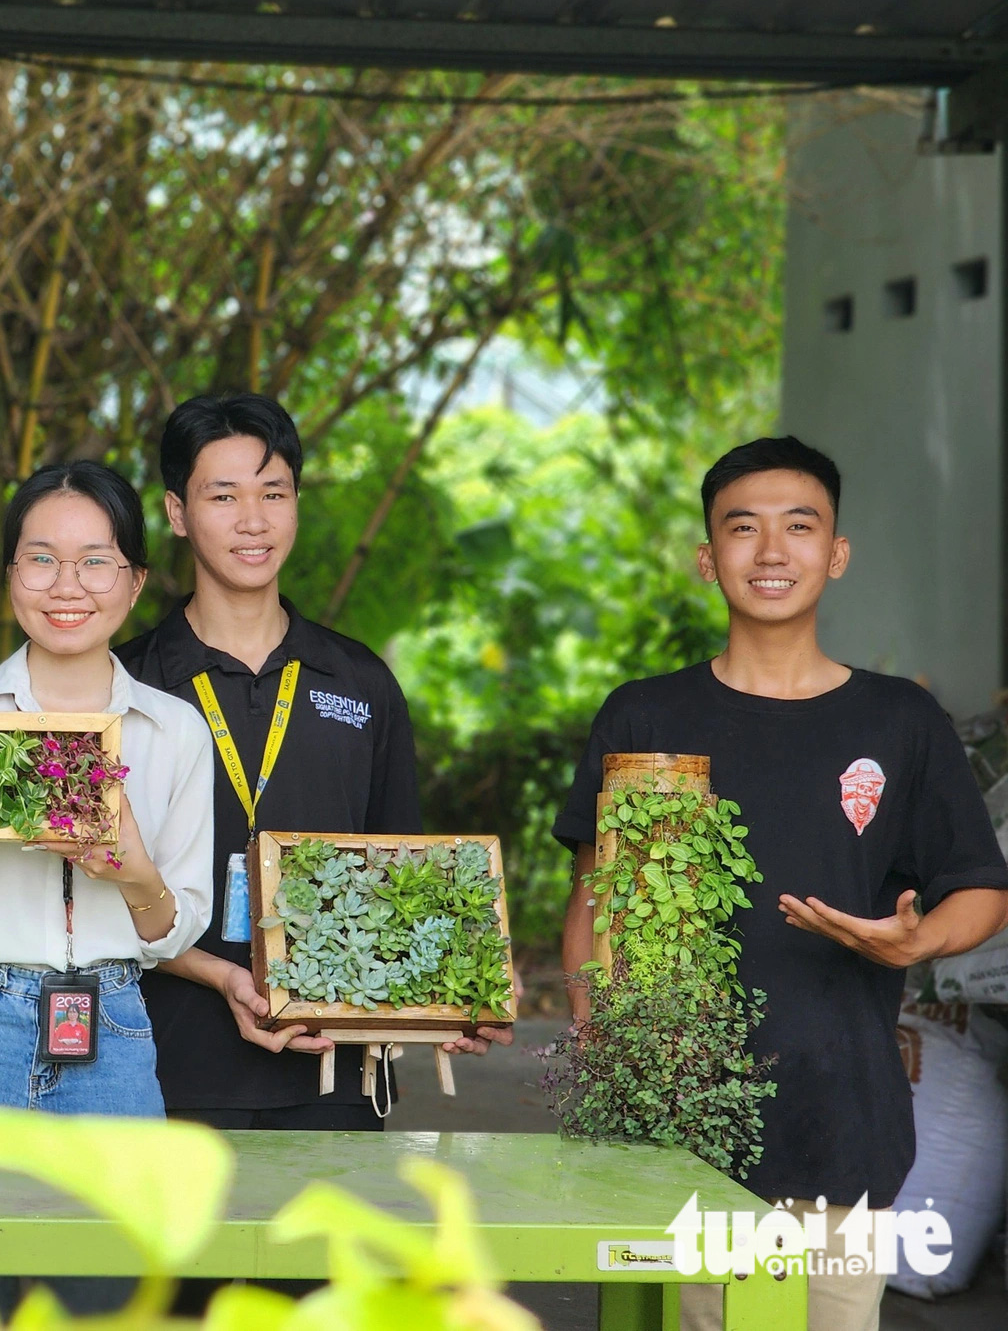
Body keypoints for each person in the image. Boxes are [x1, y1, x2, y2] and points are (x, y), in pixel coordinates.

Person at [552, 435, 1008, 1331]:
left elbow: (982, 890)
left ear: (835, 554)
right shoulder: (646, 715)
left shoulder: (901, 720)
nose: (771, 552)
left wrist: (919, 940)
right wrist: (604, 1052)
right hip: (676, 1128)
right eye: (743, 528)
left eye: (799, 527)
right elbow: (592, 902)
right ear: (706, 557)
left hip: (842, 1123)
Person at [116, 392, 509, 1143]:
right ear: (175, 512)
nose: (253, 520)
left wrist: (452, 996)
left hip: (335, 1075)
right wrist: (215, 976)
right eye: (223, 496)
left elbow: (403, 872)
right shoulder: (129, 687)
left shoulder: (359, 682)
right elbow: (88, 891)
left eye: (274, 493)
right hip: (161, 1070)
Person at [0, 460, 214, 1116]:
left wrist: (133, 871)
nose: (67, 586)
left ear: (135, 582)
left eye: (96, 562)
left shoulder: (175, 730)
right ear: (11, 575)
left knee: (117, 1223)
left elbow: (170, 935)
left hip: (113, 1026)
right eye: (41, 559)